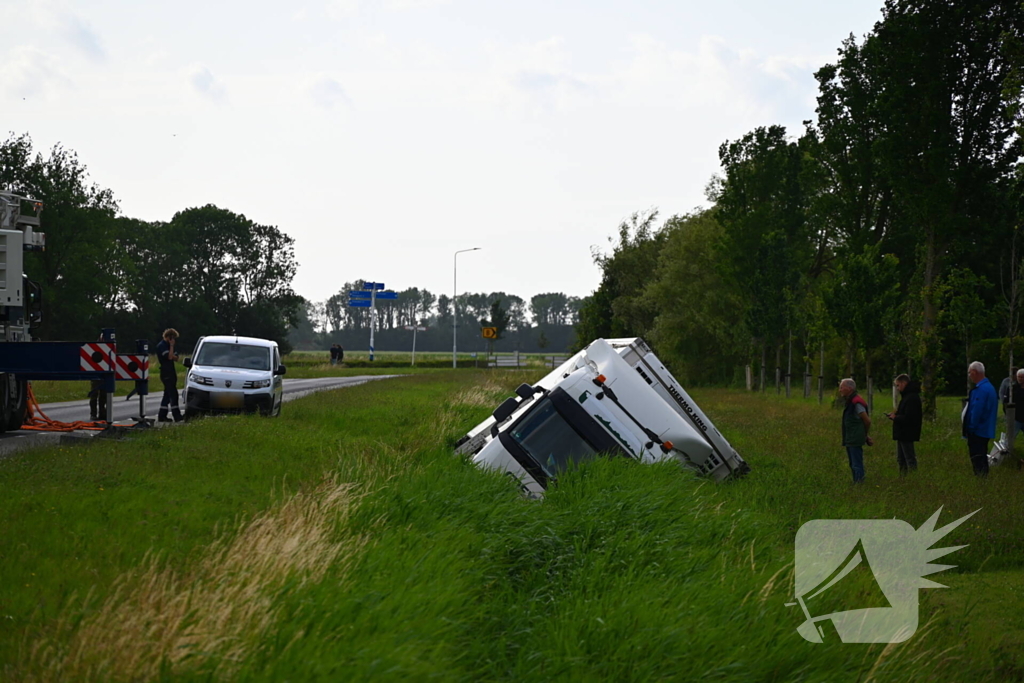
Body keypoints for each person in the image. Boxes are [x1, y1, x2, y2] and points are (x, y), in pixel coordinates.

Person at [963, 360, 997, 477]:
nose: (969, 376)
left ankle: (980, 478)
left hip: (978, 430)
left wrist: (971, 428)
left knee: (977, 457)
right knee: (982, 456)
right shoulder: (990, 387)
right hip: (986, 429)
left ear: (974, 372)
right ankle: (983, 478)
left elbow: (977, 410)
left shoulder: (981, 390)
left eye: (969, 373)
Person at [885, 374, 921, 475]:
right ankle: (903, 477)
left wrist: (896, 418)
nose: (897, 388)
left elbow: (910, 417)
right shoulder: (907, 396)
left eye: (898, 385)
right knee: (901, 459)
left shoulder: (912, 398)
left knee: (909, 458)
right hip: (902, 432)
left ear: (903, 383)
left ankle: (913, 477)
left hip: (907, 432)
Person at [839, 378, 872, 483]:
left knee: (856, 463)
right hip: (851, 437)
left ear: (849, 388)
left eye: (842, 387)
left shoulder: (856, 403)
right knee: (852, 463)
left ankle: (859, 483)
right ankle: (856, 482)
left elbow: (867, 421)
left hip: (854, 438)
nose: (840, 390)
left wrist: (864, 434)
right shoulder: (850, 402)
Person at [156, 328, 183, 423]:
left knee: (167, 395)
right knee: (173, 394)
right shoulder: (162, 346)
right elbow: (170, 357)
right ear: (168, 337)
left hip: (171, 371)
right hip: (166, 372)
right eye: (172, 338)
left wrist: (171, 352)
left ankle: (162, 415)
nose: (173, 341)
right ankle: (177, 416)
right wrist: (171, 347)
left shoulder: (168, 346)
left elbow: (176, 358)